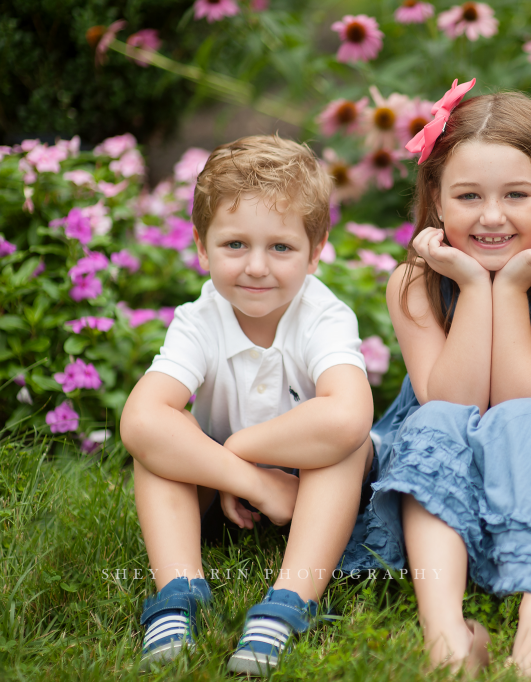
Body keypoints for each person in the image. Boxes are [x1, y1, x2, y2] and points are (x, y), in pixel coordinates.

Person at [341, 79, 531, 677]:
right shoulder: (415, 281)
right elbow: (453, 402)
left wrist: (512, 285)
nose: (492, 217)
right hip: (441, 475)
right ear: (436, 201)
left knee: (528, 419)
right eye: (468, 197)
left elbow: (525, 403)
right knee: (435, 418)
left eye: (517, 194)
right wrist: (471, 284)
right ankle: (446, 636)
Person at [120, 135, 375, 675]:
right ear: (201, 245)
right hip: (228, 488)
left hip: (318, 492)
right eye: (235, 245)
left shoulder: (323, 316)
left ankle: (288, 602)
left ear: (316, 250)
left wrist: (241, 447)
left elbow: (349, 414)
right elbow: (141, 419)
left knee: (346, 447)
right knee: (158, 444)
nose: (256, 267)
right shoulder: (200, 318)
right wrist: (251, 479)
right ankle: (178, 592)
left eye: (280, 248)